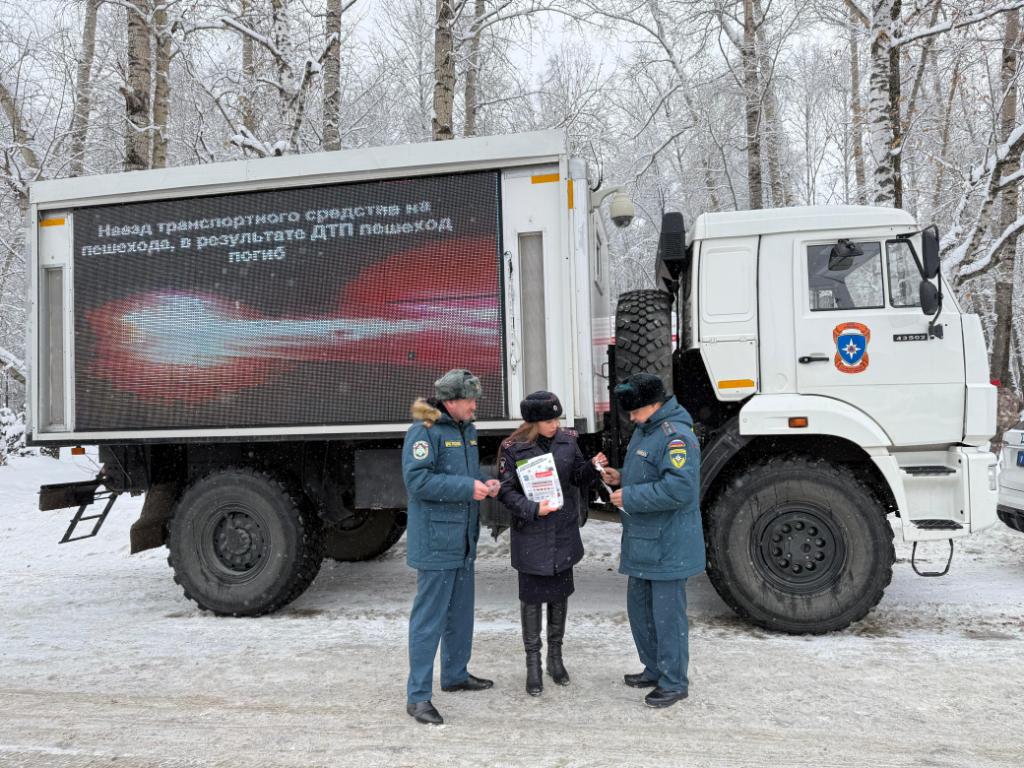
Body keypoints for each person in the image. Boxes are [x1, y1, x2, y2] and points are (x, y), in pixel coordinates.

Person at [600, 373, 705, 709]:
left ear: (655, 405)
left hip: (667, 544)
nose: (630, 418)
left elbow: (679, 489)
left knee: (667, 617)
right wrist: (621, 477)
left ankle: (674, 682)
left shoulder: (676, 438)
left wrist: (630, 496)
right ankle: (654, 668)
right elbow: (651, 474)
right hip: (645, 542)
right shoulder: (647, 431)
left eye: (635, 411)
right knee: (641, 611)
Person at [402, 368, 500, 726]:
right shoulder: (424, 431)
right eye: (470, 399)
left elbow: (462, 476)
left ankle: (456, 674)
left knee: (460, 613)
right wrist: (465, 489)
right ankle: (418, 698)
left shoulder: (466, 429)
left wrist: (482, 482)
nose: (475, 405)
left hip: (462, 539)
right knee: (429, 620)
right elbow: (417, 480)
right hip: (436, 540)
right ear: (451, 401)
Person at [497, 391, 608, 696]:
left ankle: (554, 659)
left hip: (562, 533)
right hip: (532, 534)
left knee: (559, 597)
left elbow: (576, 476)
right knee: (532, 600)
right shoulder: (512, 447)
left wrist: (594, 466)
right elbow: (506, 493)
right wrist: (533, 509)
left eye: (557, 418)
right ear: (532, 422)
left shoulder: (567, 441)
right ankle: (532, 665)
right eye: (548, 420)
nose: (554, 425)